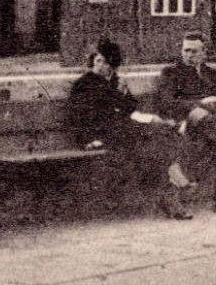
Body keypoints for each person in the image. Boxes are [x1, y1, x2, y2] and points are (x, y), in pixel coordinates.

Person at [66, 38, 192, 219]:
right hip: (103, 134)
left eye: (103, 61)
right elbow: (77, 117)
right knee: (159, 138)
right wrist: (87, 140)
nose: (98, 65)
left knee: (156, 146)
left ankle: (172, 197)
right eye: (96, 61)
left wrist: (124, 93)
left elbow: (130, 107)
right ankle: (178, 185)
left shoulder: (114, 80)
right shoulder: (85, 84)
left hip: (122, 130)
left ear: (112, 64)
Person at [148, 31, 216, 213]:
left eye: (194, 51)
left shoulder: (210, 73)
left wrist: (213, 104)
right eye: (186, 50)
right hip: (185, 120)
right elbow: (166, 102)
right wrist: (196, 106)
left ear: (203, 52)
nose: (188, 55)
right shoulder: (171, 72)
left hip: (211, 121)